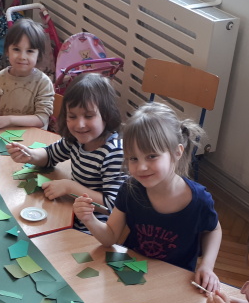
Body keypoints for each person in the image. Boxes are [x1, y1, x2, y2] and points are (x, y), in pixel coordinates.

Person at [74, 102, 222, 289]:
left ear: (177, 152)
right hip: (132, 272)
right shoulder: (129, 189)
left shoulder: (199, 200)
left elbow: (213, 230)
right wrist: (89, 219)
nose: (141, 167)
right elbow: (110, 237)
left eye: (152, 156)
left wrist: (207, 265)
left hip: (176, 281)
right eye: (133, 158)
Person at [6, 73, 125, 225]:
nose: (80, 125)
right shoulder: (74, 140)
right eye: (72, 116)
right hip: (71, 211)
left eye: (89, 116)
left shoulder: (114, 153)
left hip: (96, 226)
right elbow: (50, 155)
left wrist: (70, 188)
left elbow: (112, 206)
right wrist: (30, 155)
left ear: (106, 115)